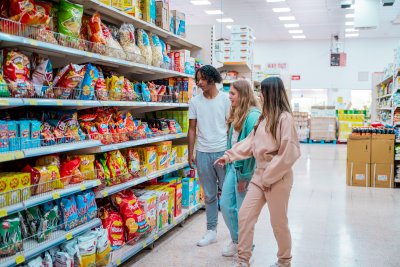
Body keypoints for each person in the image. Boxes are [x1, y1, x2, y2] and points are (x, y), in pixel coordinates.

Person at [215, 77, 301, 267]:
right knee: (245, 215)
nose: (260, 94)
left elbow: (290, 152)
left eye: (263, 91)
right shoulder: (263, 117)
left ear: (272, 93)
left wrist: (270, 176)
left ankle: (284, 261)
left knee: (278, 222)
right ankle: (243, 259)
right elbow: (250, 142)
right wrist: (229, 155)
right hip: (260, 175)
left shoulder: (284, 118)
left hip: (278, 177)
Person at [188, 65, 231, 247]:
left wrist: (232, 152)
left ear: (212, 79)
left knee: (228, 195)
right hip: (203, 152)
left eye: (202, 79)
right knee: (209, 195)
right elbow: (192, 128)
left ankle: (234, 234)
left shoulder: (226, 100)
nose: (199, 83)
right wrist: (190, 152)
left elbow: (231, 126)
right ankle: (211, 230)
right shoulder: (195, 101)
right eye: (197, 79)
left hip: (222, 152)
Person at [220, 80, 260, 257]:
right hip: (232, 167)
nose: (229, 97)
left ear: (243, 95)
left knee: (243, 212)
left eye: (232, 94)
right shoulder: (236, 111)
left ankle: (245, 245)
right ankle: (238, 241)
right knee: (226, 205)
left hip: (244, 171)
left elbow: (253, 149)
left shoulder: (253, 116)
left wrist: (245, 176)